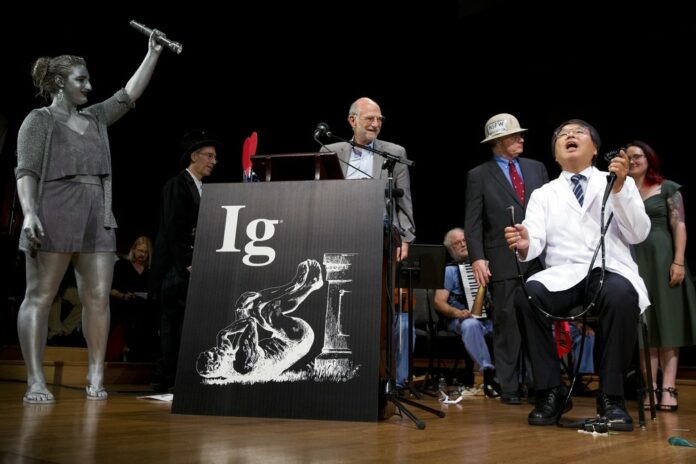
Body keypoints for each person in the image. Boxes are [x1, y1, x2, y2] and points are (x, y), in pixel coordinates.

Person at [15, 32, 163, 403]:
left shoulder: (95, 118)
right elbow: (26, 172)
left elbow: (127, 96)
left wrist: (152, 53)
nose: (88, 85)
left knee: (98, 297)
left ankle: (96, 378)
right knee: (41, 296)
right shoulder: (39, 120)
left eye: (87, 78)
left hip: (97, 211)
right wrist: (30, 213)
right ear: (59, 83)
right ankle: (35, 380)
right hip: (54, 208)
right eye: (81, 80)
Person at [505, 119, 650, 431]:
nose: (569, 135)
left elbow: (638, 233)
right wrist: (525, 241)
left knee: (621, 295)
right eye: (562, 135)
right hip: (564, 274)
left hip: (609, 270)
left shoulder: (617, 181)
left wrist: (621, 189)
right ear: (556, 156)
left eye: (578, 132)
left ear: (595, 149)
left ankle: (611, 397)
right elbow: (535, 242)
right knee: (526, 295)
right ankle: (550, 390)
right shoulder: (544, 194)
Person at [464, 113, 549, 405]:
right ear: (499, 142)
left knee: (540, 324)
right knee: (507, 326)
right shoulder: (479, 175)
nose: (521, 139)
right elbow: (473, 223)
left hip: (538, 259)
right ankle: (509, 387)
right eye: (515, 136)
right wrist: (478, 258)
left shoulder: (537, 168)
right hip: (502, 260)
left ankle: (543, 386)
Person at [627, 140, 696, 412]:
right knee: (645, 328)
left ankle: (668, 389)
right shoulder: (622, 192)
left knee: (667, 326)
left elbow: (679, 225)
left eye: (638, 156)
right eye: (628, 157)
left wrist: (678, 261)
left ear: (649, 159)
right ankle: (650, 390)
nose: (633, 161)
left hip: (664, 260)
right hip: (634, 262)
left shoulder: (668, 188)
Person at [150, 129, 220, 391]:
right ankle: (168, 380)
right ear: (194, 156)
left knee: (187, 326)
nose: (214, 161)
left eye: (215, 157)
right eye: (210, 156)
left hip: (192, 268)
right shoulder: (176, 185)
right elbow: (173, 228)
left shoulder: (206, 190)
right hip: (175, 270)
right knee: (172, 325)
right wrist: (187, 262)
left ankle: (183, 378)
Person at [321, 97, 415, 262]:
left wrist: (406, 238)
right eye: (370, 118)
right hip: (337, 232)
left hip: (380, 237)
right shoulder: (330, 151)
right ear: (352, 120)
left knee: (374, 285)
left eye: (380, 119)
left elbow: (404, 200)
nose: (376, 124)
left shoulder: (395, 153)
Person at [433, 228, 499, 397]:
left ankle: (520, 378)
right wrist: (457, 312)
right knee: (471, 324)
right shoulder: (449, 271)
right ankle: (487, 373)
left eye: (464, 240)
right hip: (461, 320)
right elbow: (439, 302)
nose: (463, 244)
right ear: (450, 249)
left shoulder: (486, 265)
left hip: (488, 320)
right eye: (457, 243)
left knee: (512, 324)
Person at [110, 236, 158, 362]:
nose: (142, 254)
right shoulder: (121, 265)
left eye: (146, 252)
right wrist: (124, 296)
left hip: (144, 307)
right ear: (134, 249)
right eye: (140, 251)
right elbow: (112, 290)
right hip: (124, 305)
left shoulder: (150, 271)